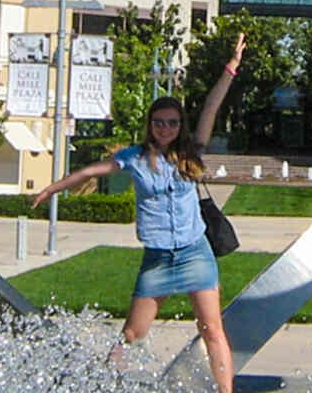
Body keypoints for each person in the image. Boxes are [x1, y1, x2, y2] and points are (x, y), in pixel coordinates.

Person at [32, 33, 246, 393]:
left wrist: (231, 67)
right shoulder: (133, 157)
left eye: (172, 123)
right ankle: (101, 385)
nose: (166, 128)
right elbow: (89, 172)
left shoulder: (191, 153)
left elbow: (211, 106)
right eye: (159, 122)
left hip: (195, 252)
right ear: (150, 124)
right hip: (158, 259)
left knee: (211, 329)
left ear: (181, 127)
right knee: (132, 333)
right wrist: (53, 188)